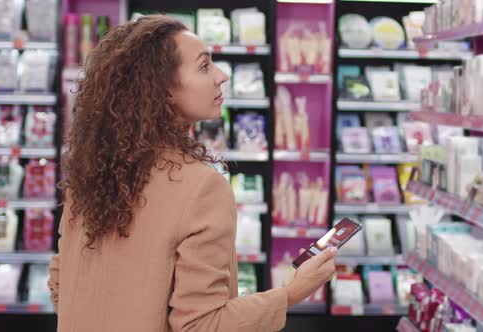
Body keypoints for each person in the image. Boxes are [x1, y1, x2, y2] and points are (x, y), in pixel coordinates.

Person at [48, 14, 337, 332]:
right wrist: (293, 293)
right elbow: (201, 324)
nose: (221, 75)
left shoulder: (91, 173)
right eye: (204, 66)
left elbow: (61, 286)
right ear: (163, 90)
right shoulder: (201, 187)